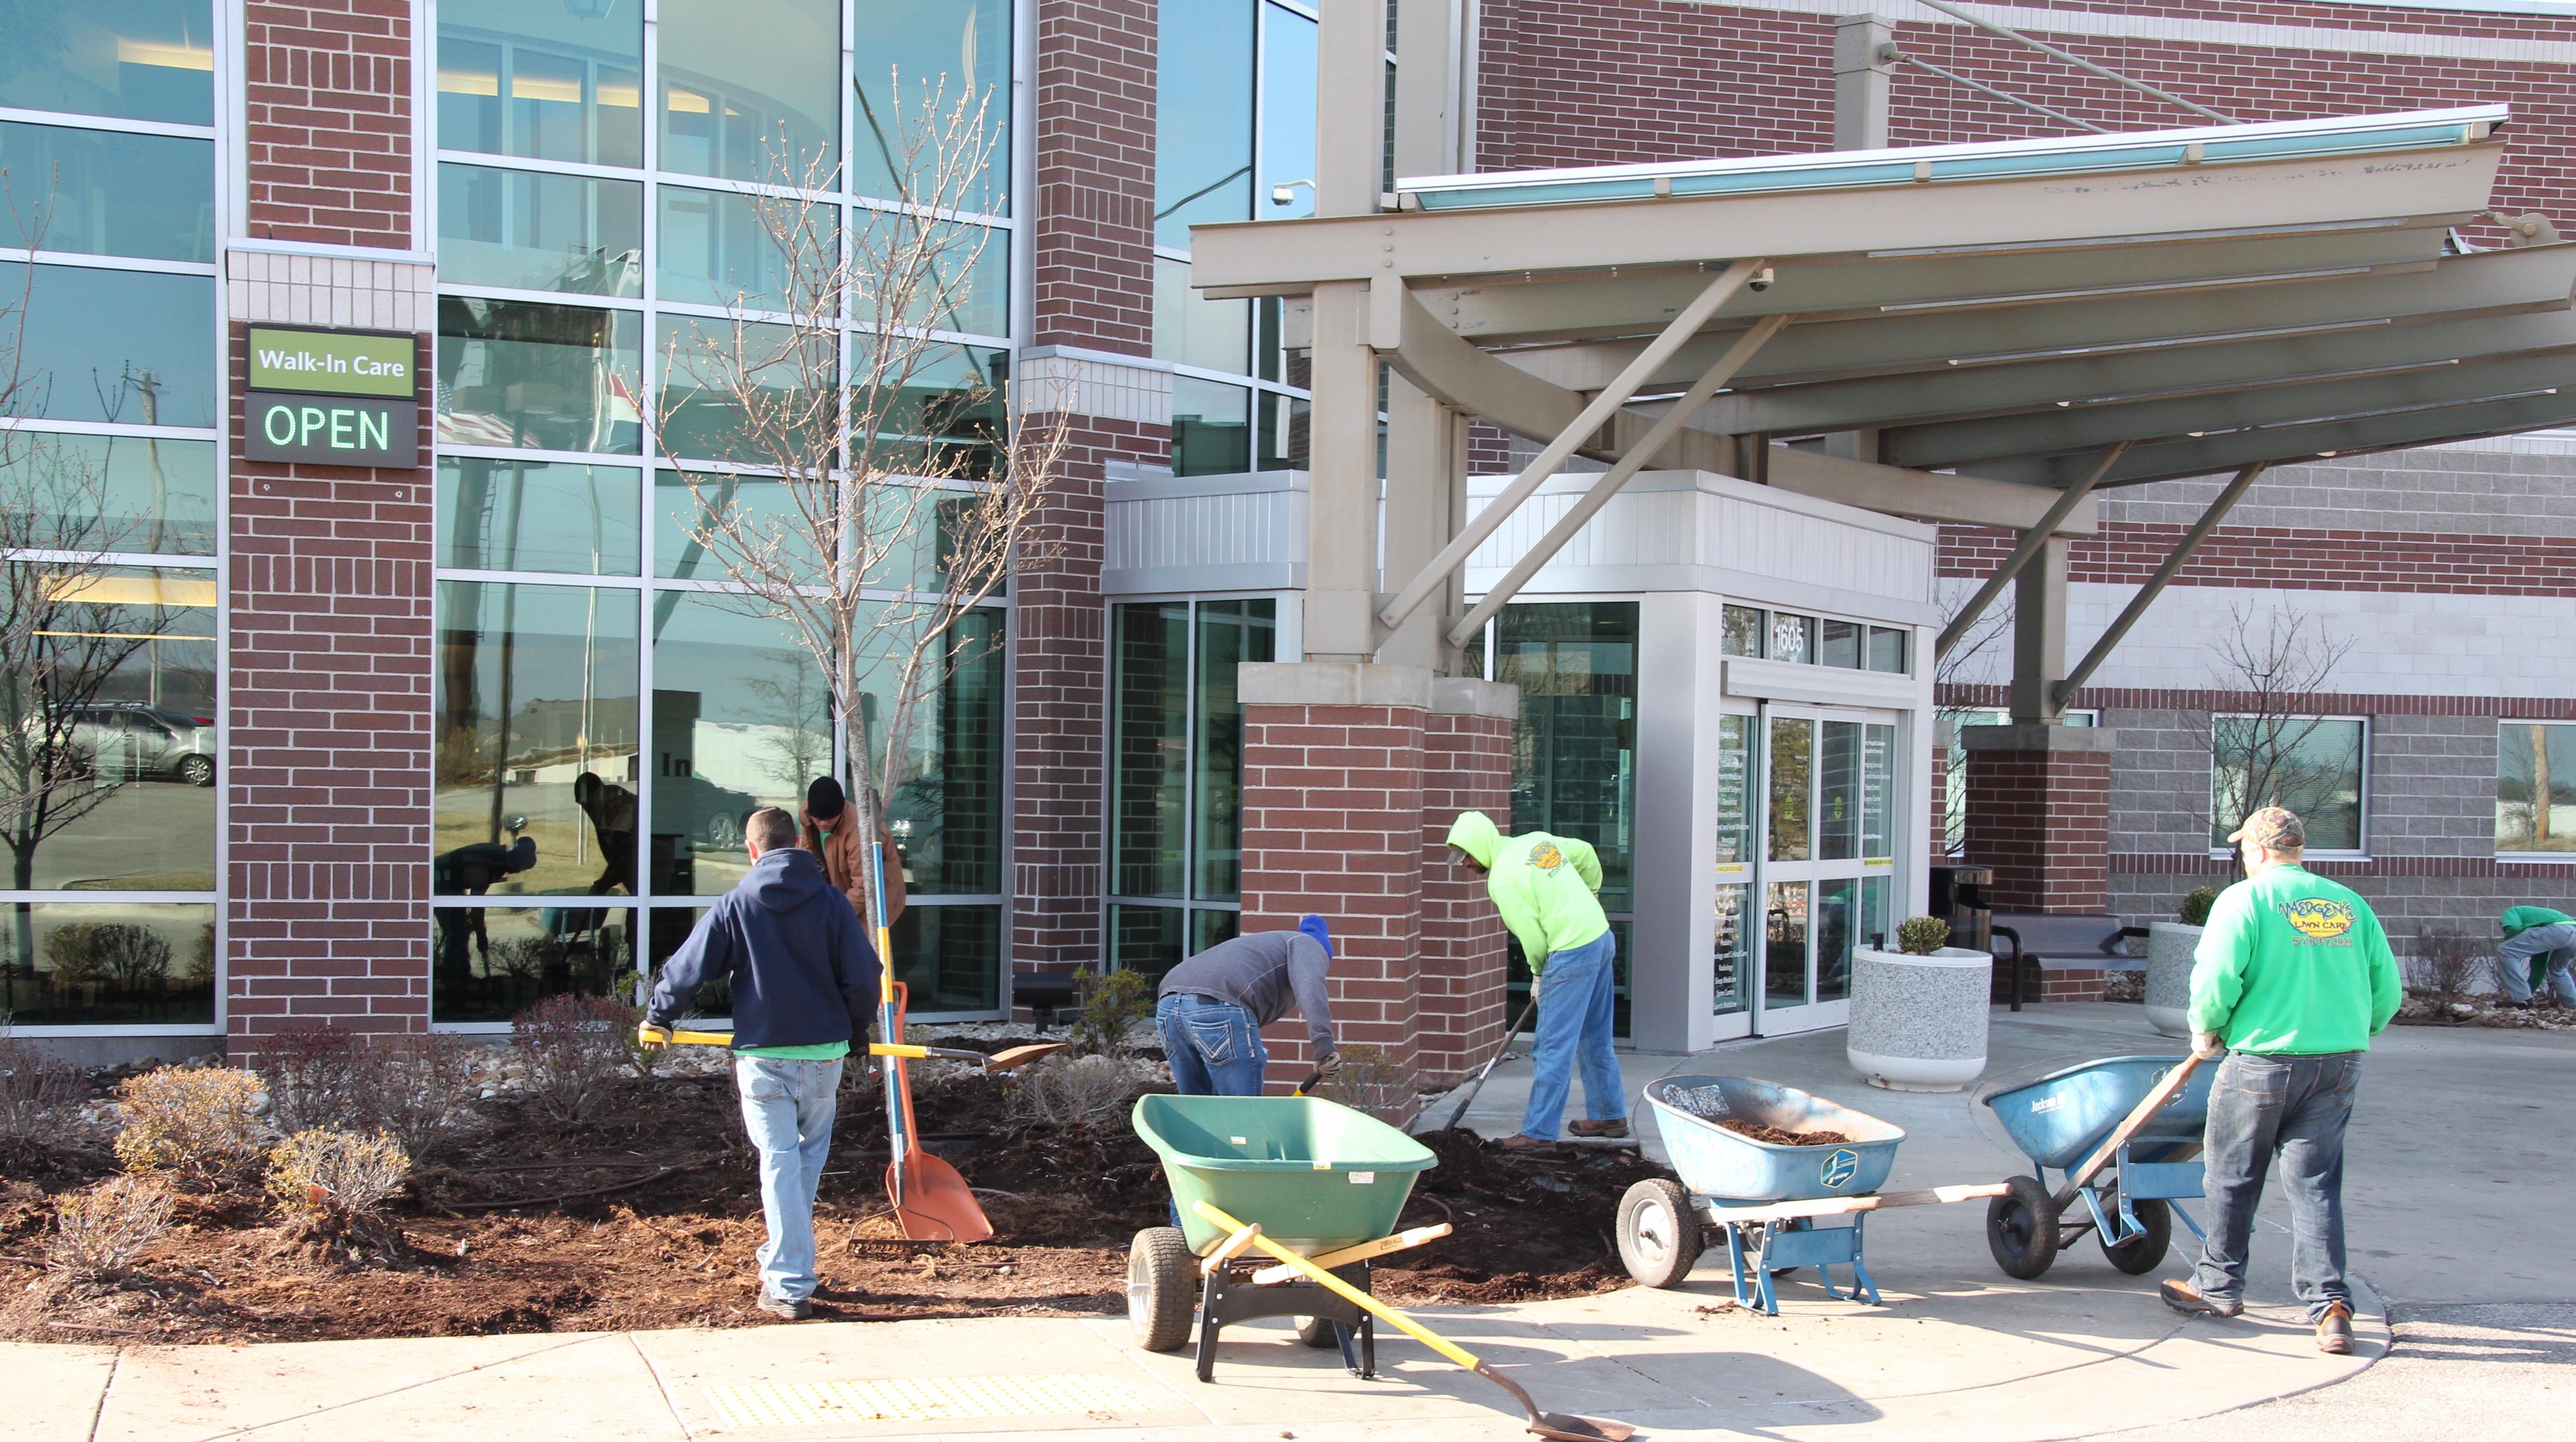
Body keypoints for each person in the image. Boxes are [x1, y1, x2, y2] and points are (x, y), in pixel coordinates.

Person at [2161, 806, 2401, 1356]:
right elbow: (2385, 988)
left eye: (2244, 848)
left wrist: (2206, 1028)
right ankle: (2330, 1307)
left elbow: (2217, 975)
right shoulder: (2348, 904)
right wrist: (2354, 1027)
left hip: (2262, 1060)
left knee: (2231, 1175)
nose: (2242, 857)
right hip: (2337, 1061)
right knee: (2315, 1183)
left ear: (2259, 850)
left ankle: (2218, 1286)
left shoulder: (2244, 900)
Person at [642, 807, 880, 1321]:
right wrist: (856, 1028)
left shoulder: (737, 904)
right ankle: (787, 1260)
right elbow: (864, 977)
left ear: (752, 850)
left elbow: (689, 967)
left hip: (763, 1056)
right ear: (797, 842)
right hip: (822, 1057)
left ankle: (790, 1280)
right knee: (800, 1161)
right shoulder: (832, 904)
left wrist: (659, 1015)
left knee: (779, 1162)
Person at [1444, 811, 1628, 1149]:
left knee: (1552, 1048)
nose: (1465, 864)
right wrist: (1590, 897)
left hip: (1571, 951)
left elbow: (1533, 939)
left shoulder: (1501, 880)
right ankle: (1608, 1114)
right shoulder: (1535, 842)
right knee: (1594, 1035)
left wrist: (1539, 974)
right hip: (1599, 938)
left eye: (1467, 855)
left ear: (1481, 845)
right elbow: (1586, 852)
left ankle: (1539, 1133)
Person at [1154, 916, 1339, 1096]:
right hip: (1218, 1003)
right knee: (1243, 1110)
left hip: (1168, 1005)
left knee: (1197, 1108)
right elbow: (1311, 987)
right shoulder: (1309, 943)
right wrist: (1324, 1047)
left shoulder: (1265, 945)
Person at [800, 777, 906, 933]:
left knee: (859, 948)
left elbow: (864, 889)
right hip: (842, 894)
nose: (823, 824)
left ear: (841, 811)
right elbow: (808, 855)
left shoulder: (861, 835)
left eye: (830, 818)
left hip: (877, 904)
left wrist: (831, 915)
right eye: (818, 819)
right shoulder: (807, 814)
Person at [2494, 904, 2576, 1009]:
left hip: (2557, 930)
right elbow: (2539, 969)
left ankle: (2520, 999)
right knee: (2558, 970)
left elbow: (2513, 927)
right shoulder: (2540, 932)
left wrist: (2509, 941)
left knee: (2505, 951)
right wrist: (2529, 994)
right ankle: (2573, 1005)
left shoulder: (2511, 912)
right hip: (2573, 933)